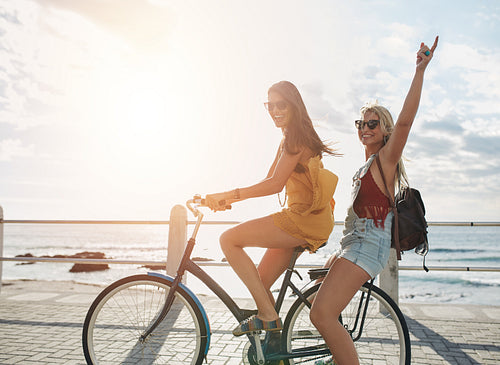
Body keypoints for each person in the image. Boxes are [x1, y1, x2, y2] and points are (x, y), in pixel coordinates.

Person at [309, 37, 439, 365]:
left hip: (367, 249)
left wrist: (419, 71)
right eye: (361, 123)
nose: (365, 128)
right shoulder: (364, 167)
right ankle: (339, 355)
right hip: (353, 244)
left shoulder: (385, 160)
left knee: (320, 315)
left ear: (384, 131)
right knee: (318, 293)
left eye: (372, 123)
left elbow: (407, 122)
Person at [206, 80, 340, 336]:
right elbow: (269, 180)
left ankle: (268, 317)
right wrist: (227, 200)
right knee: (261, 284)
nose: (275, 111)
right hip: (307, 219)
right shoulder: (288, 138)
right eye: (270, 105)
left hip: (301, 220)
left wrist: (230, 194)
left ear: (294, 106)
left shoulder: (295, 137)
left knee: (228, 239)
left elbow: (275, 185)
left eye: (282, 105)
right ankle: (275, 350)